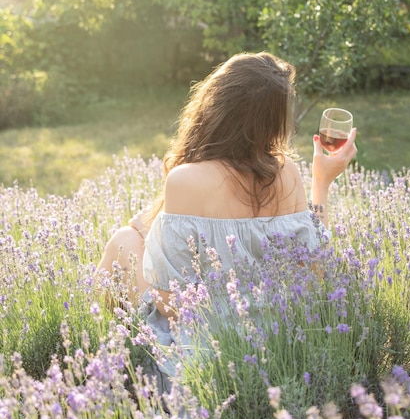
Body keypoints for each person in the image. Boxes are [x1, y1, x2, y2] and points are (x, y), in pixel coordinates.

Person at [96, 51, 357, 394]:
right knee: (136, 235)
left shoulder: (186, 179)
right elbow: (315, 271)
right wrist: (322, 181)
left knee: (122, 241)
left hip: (209, 363)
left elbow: (169, 303)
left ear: (213, 105)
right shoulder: (288, 173)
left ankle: (106, 358)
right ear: (273, 120)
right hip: (278, 353)